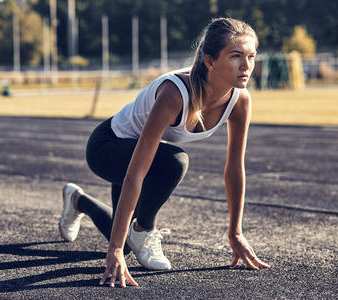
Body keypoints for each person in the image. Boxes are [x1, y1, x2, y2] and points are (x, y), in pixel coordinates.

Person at [58, 17, 270, 288]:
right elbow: (136, 174)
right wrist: (112, 250)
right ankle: (144, 230)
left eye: (251, 56)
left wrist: (235, 232)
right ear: (210, 61)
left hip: (139, 152)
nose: (246, 66)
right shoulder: (175, 94)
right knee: (174, 162)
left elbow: (234, 168)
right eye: (236, 56)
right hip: (108, 146)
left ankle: (78, 200)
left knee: (122, 242)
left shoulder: (240, 100)